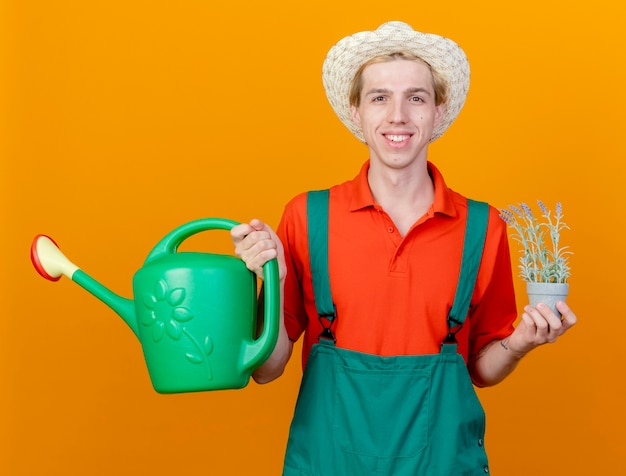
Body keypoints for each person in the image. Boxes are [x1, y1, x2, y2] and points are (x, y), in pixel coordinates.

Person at [231, 21, 577, 475]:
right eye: (379, 98)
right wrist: (270, 283)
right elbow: (267, 369)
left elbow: (481, 369)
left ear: (437, 110)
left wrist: (519, 344)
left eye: (416, 97)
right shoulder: (306, 217)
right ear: (356, 111)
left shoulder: (482, 226)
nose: (398, 116)